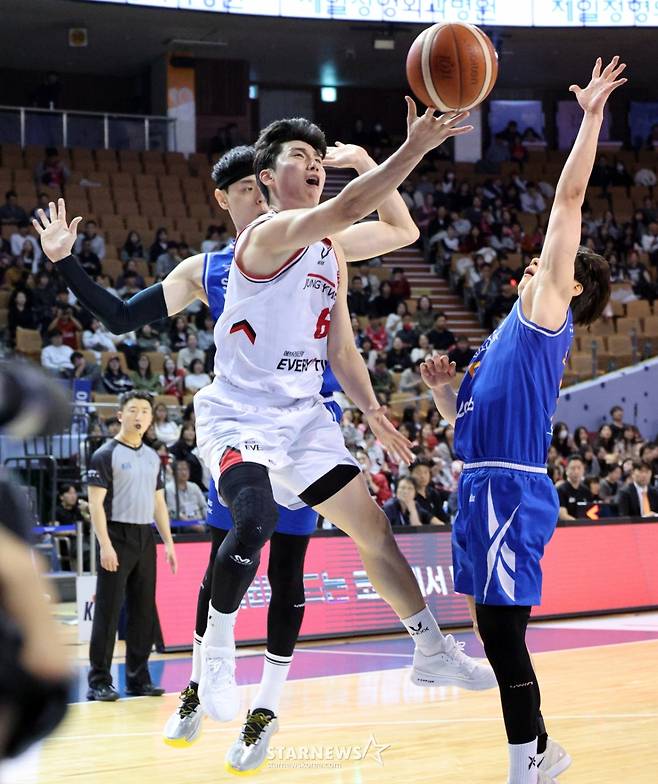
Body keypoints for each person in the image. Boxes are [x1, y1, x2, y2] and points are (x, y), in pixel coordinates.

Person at [35, 130, 495, 771]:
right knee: (251, 522)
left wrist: (370, 411)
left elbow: (393, 242)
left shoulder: (328, 249)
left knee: (369, 534)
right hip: (240, 416)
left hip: (305, 418)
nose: (308, 173)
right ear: (244, 191)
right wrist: (413, 145)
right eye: (289, 167)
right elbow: (119, 316)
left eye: (315, 164)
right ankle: (212, 664)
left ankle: (427, 649)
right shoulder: (247, 247)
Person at [419, 57, 624, 784]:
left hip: (509, 490)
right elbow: (468, 425)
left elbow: (567, 204)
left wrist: (592, 117)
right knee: (493, 629)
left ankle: (524, 764)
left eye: (549, 260)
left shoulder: (546, 314)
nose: (535, 260)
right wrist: (447, 397)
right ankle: (540, 751)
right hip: (478, 482)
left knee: (502, 633)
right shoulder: (504, 333)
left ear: (569, 285)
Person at [85, 391, 177, 700]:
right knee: (108, 613)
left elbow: (159, 502)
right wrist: (105, 545)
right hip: (117, 536)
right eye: (133, 410)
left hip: (144, 538)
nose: (140, 416)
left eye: (145, 411)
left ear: (151, 418)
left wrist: (168, 542)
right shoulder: (104, 454)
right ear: (120, 415)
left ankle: (139, 679)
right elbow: (95, 505)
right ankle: (99, 680)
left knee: (143, 613)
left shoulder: (153, 457)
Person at [166, 460, 207, 529]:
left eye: (186, 469)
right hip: (183, 524)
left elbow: (204, 506)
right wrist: (193, 525)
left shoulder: (194, 486)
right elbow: (173, 512)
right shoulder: (169, 489)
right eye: (180, 470)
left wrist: (209, 522)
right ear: (174, 472)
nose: (184, 472)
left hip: (200, 521)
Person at [556, 455, 594, 519]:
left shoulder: (586, 490)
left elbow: (591, 512)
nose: (576, 471)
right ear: (566, 470)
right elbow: (562, 515)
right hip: (569, 526)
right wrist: (577, 524)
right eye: (573, 468)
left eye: (579, 468)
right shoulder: (561, 490)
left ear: (583, 470)